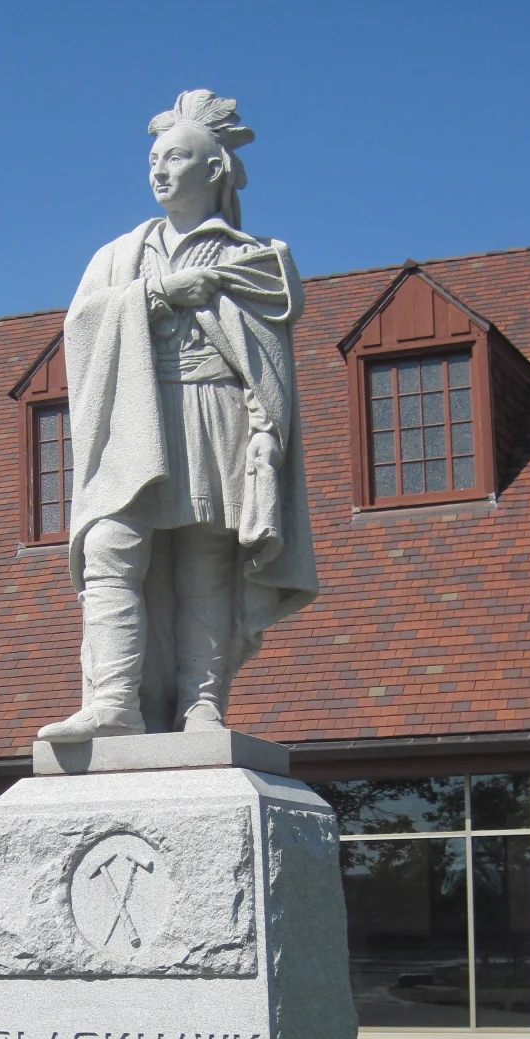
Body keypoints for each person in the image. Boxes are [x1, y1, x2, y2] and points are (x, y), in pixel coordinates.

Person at [37, 90, 318, 743]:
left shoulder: (257, 259)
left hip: (214, 411)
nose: (158, 171)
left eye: (175, 158)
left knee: (205, 563)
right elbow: (79, 331)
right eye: (153, 160)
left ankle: (201, 705)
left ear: (214, 168)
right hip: (136, 410)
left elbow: (267, 358)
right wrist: (158, 293)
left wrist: (265, 438)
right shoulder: (117, 257)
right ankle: (114, 702)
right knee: (110, 546)